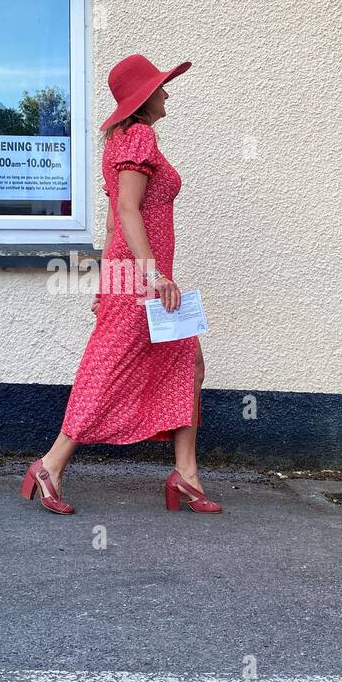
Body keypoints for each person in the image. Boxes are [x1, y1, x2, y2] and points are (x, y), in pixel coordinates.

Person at [20, 54, 219, 516]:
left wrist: (108, 280)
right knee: (106, 372)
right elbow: (127, 210)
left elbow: (113, 220)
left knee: (189, 365)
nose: (167, 92)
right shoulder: (140, 137)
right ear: (144, 98)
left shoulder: (126, 140)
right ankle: (50, 464)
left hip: (132, 276)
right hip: (142, 279)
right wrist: (149, 274)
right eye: (161, 87)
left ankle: (186, 475)